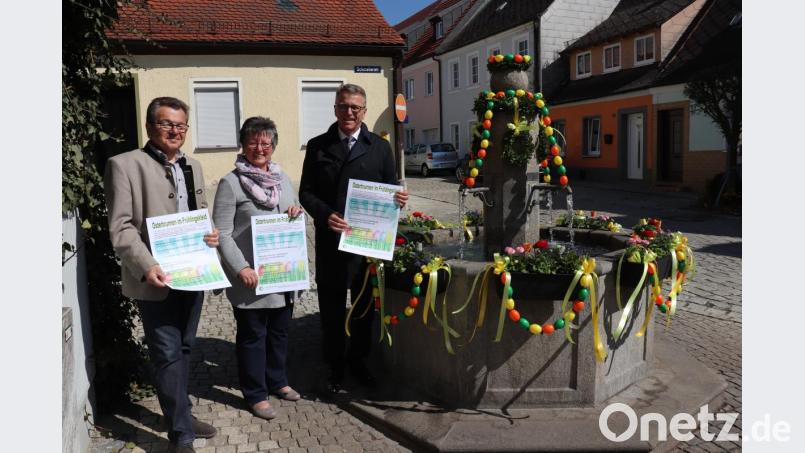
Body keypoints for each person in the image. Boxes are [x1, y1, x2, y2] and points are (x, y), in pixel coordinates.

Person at [104, 97, 219, 453]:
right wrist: (146, 265)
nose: (175, 131)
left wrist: (210, 235)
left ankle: (181, 413)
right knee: (167, 352)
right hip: (156, 277)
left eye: (181, 125)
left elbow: (199, 212)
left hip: (193, 274)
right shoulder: (124, 165)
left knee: (185, 347)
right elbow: (121, 228)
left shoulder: (193, 165)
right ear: (150, 126)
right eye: (167, 123)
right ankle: (180, 435)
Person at [299, 83, 408, 393]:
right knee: (331, 309)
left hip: (366, 244)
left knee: (362, 308)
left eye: (355, 107)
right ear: (335, 108)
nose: (349, 112)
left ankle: (359, 362)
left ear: (364, 111)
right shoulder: (318, 145)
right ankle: (334, 366)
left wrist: (398, 199)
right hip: (331, 241)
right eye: (343, 106)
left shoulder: (380, 148)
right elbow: (306, 192)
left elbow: (390, 188)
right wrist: (325, 214)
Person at [212, 117, 303, 420]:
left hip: (282, 274)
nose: (260, 148)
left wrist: (296, 212)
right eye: (253, 142)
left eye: (265, 143)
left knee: (280, 333)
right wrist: (241, 268)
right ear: (243, 144)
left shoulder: (282, 178)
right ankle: (255, 394)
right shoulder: (231, 183)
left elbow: (295, 212)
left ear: (273, 146)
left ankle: (277, 381)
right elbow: (222, 233)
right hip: (251, 278)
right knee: (253, 337)